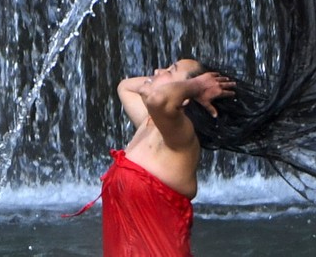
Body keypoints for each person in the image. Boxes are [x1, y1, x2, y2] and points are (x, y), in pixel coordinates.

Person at [101, 58, 235, 256]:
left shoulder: (181, 138)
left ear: (185, 97)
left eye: (171, 71)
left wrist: (196, 86)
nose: (158, 69)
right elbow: (125, 88)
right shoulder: (150, 125)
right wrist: (162, 83)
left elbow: (157, 100)